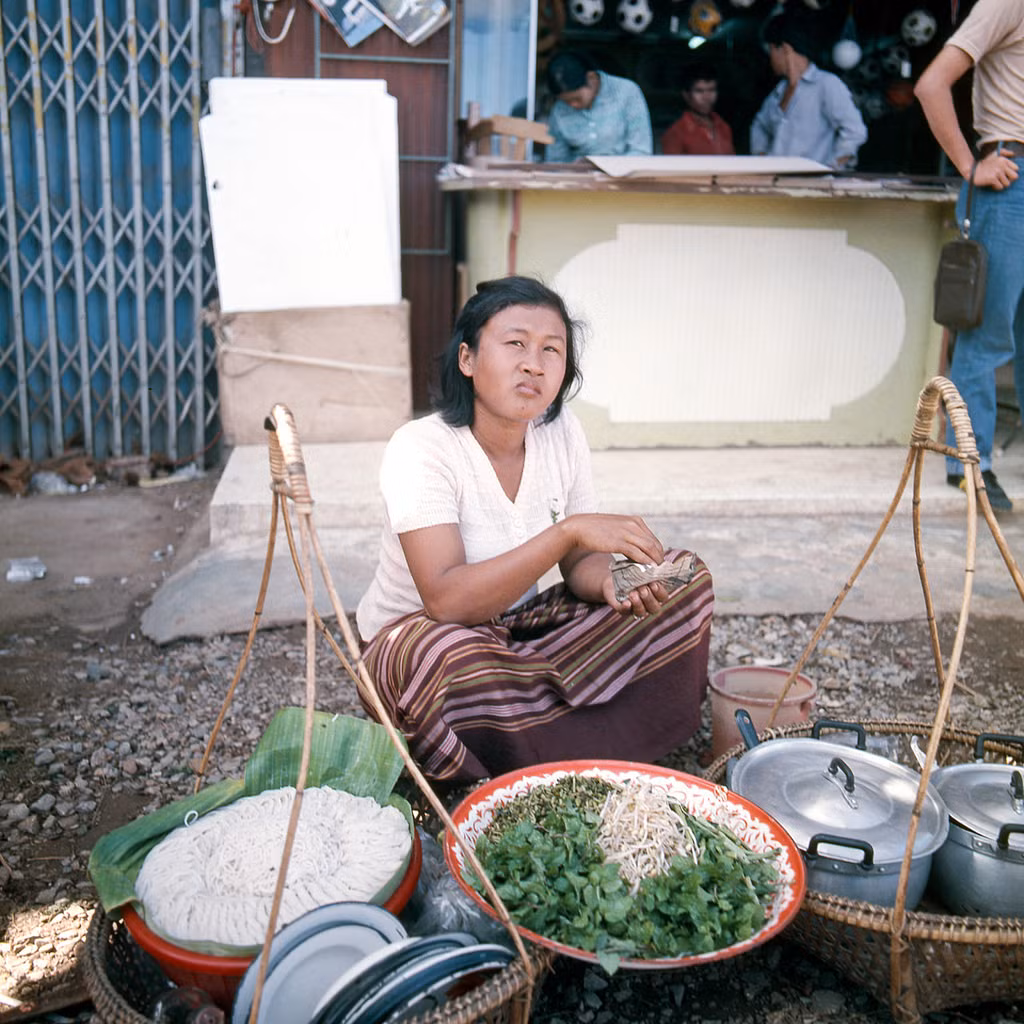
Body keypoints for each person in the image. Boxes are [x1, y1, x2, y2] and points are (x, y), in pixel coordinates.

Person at [355, 275, 714, 783]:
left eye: (552, 349)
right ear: (468, 360)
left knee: (682, 576)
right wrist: (566, 532)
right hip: (420, 644)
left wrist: (614, 584)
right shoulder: (422, 448)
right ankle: (572, 744)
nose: (534, 363)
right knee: (455, 660)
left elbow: (579, 564)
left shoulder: (561, 432)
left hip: (515, 628)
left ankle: (551, 746)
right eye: (516, 344)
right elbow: (447, 601)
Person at [914, 0, 1022, 512]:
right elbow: (931, 83)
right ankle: (969, 463)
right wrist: (969, 165)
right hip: (1009, 176)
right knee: (986, 331)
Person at [750, 12, 867, 170]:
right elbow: (759, 126)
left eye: (771, 49)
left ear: (785, 49)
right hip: (775, 185)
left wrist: (830, 168)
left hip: (813, 188)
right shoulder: (778, 92)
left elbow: (855, 131)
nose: (770, 57)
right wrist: (761, 158)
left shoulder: (826, 85)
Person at [544, 50, 653, 162]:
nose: (573, 105)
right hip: (579, 176)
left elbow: (641, 151)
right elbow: (556, 160)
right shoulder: (559, 110)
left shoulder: (627, 92)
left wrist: (610, 167)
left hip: (623, 174)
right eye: (566, 101)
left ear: (592, 79)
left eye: (577, 98)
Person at [661, 62, 735, 156]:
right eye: (699, 91)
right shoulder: (676, 133)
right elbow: (671, 169)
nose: (707, 97)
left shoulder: (724, 128)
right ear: (687, 95)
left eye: (711, 90)